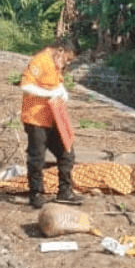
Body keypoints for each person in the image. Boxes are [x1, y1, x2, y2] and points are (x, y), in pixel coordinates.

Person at [20, 36, 82, 208]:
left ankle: (65, 192)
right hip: (36, 118)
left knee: (67, 152)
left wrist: (62, 91)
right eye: (67, 59)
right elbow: (26, 85)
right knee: (37, 157)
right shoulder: (41, 60)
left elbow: (56, 83)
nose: (67, 64)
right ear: (61, 51)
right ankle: (36, 194)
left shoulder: (57, 64)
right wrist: (49, 93)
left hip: (53, 118)